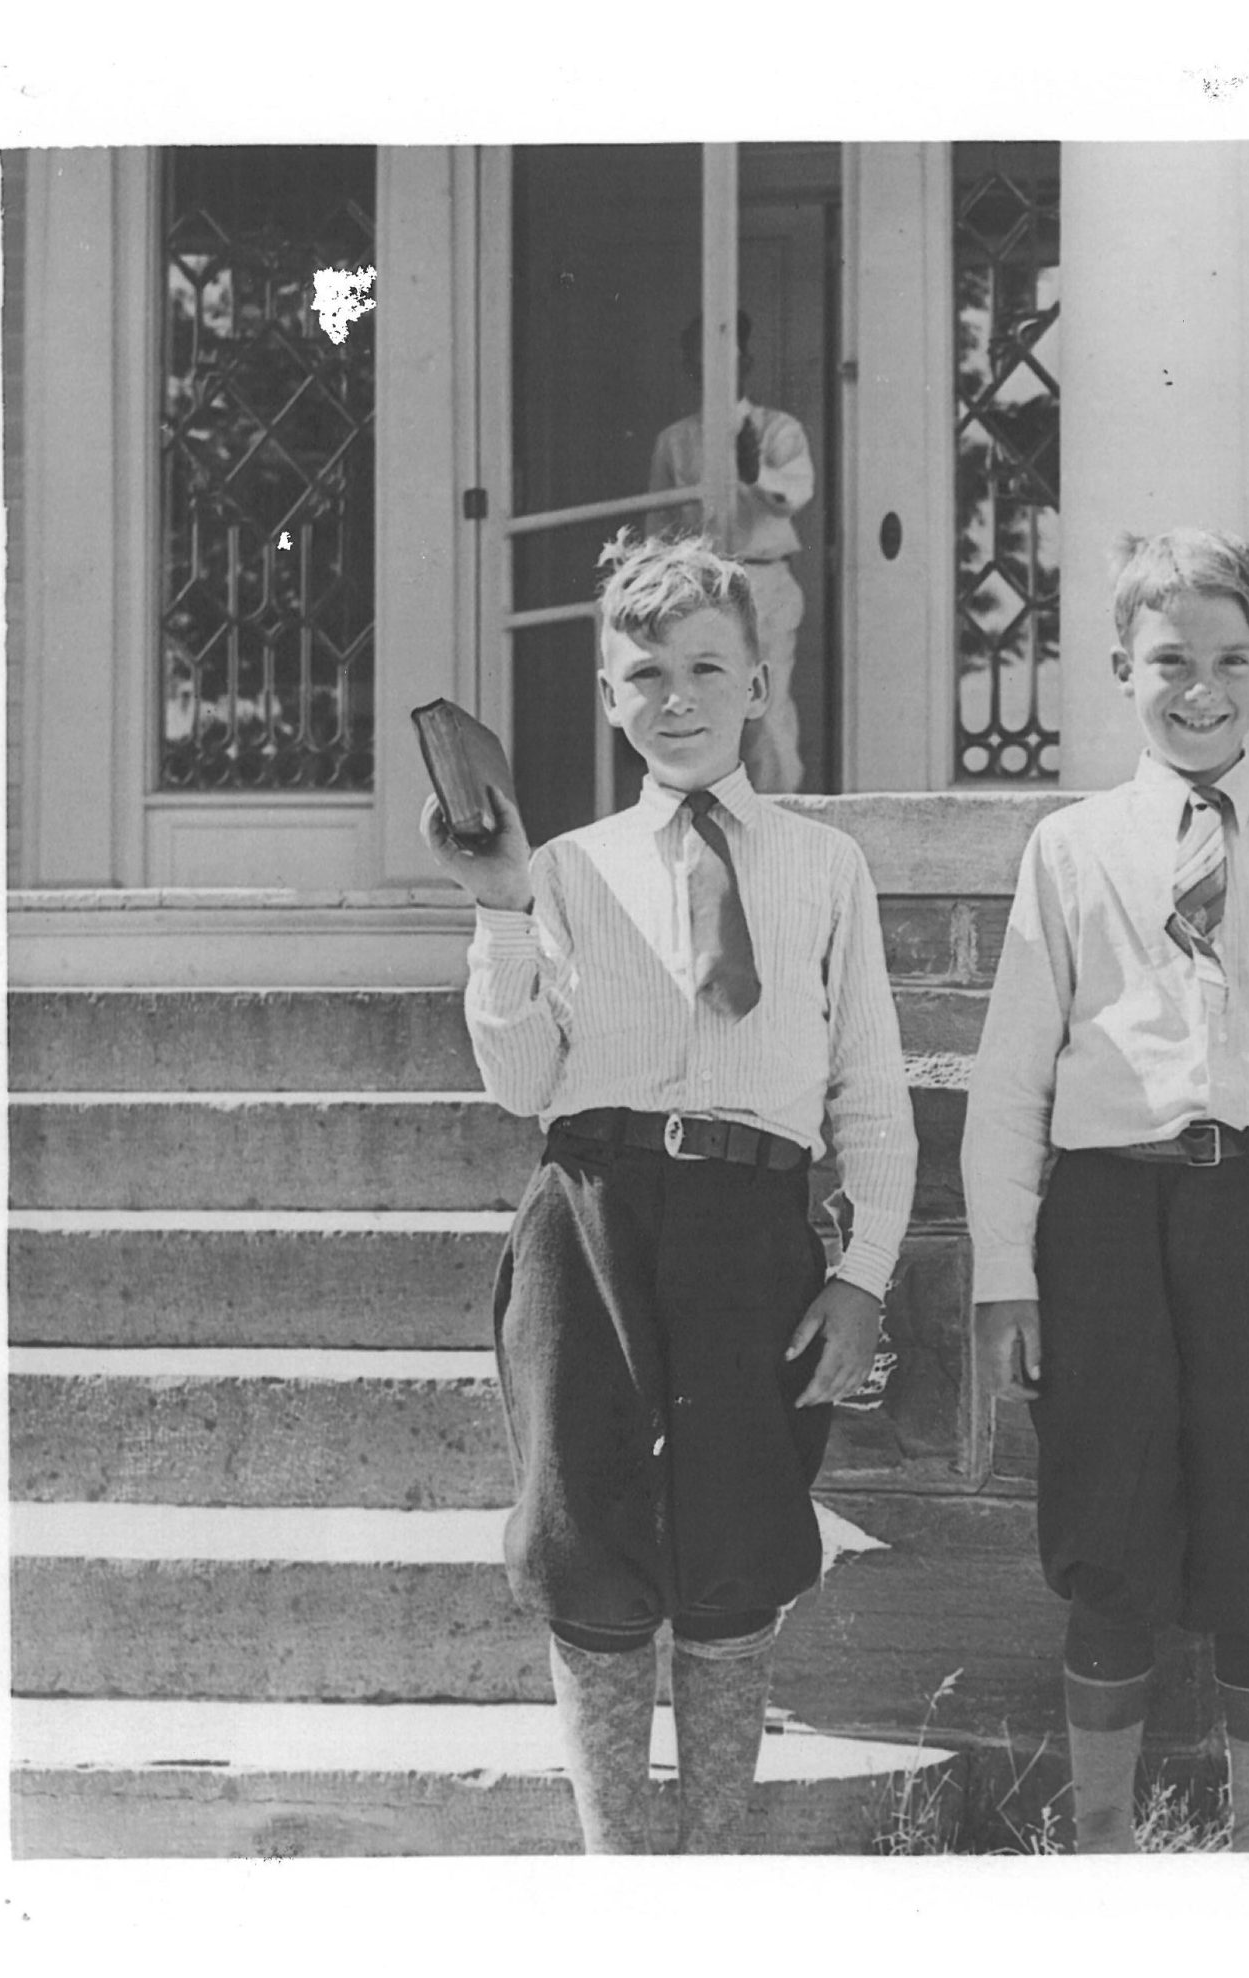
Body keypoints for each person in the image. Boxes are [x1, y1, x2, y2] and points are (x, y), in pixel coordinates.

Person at [421, 532, 915, 1853]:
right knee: (586, 1530)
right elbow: (524, 1082)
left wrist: (863, 1273)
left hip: (752, 1221)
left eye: (708, 667)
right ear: (607, 694)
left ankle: (710, 1871)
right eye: (646, 674)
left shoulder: (824, 867)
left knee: (739, 1531)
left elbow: (868, 1087)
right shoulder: (569, 870)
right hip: (595, 1211)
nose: (678, 697)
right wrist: (499, 909)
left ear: (760, 681)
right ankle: (617, 1874)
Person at [961, 527, 1249, 1854]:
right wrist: (1004, 1269)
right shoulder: (1071, 847)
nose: (1199, 689)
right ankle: (1105, 1843)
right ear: (1119, 669)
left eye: (1228, 660)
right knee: (1107, 1519)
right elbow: (1010, 1081)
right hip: (1108, 1218)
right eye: (1169, 661)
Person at [648, 310, 816, 793]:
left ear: (747, 363)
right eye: (703, 358)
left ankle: (779, 821)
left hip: (763, 584)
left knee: (766, 710)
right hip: (695, 591)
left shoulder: (778, 431)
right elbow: (657, 529)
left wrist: (754, 470)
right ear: (692, 366)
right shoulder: (675, 442)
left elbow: (792, 494)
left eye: (728, 357)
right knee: (695, 712)